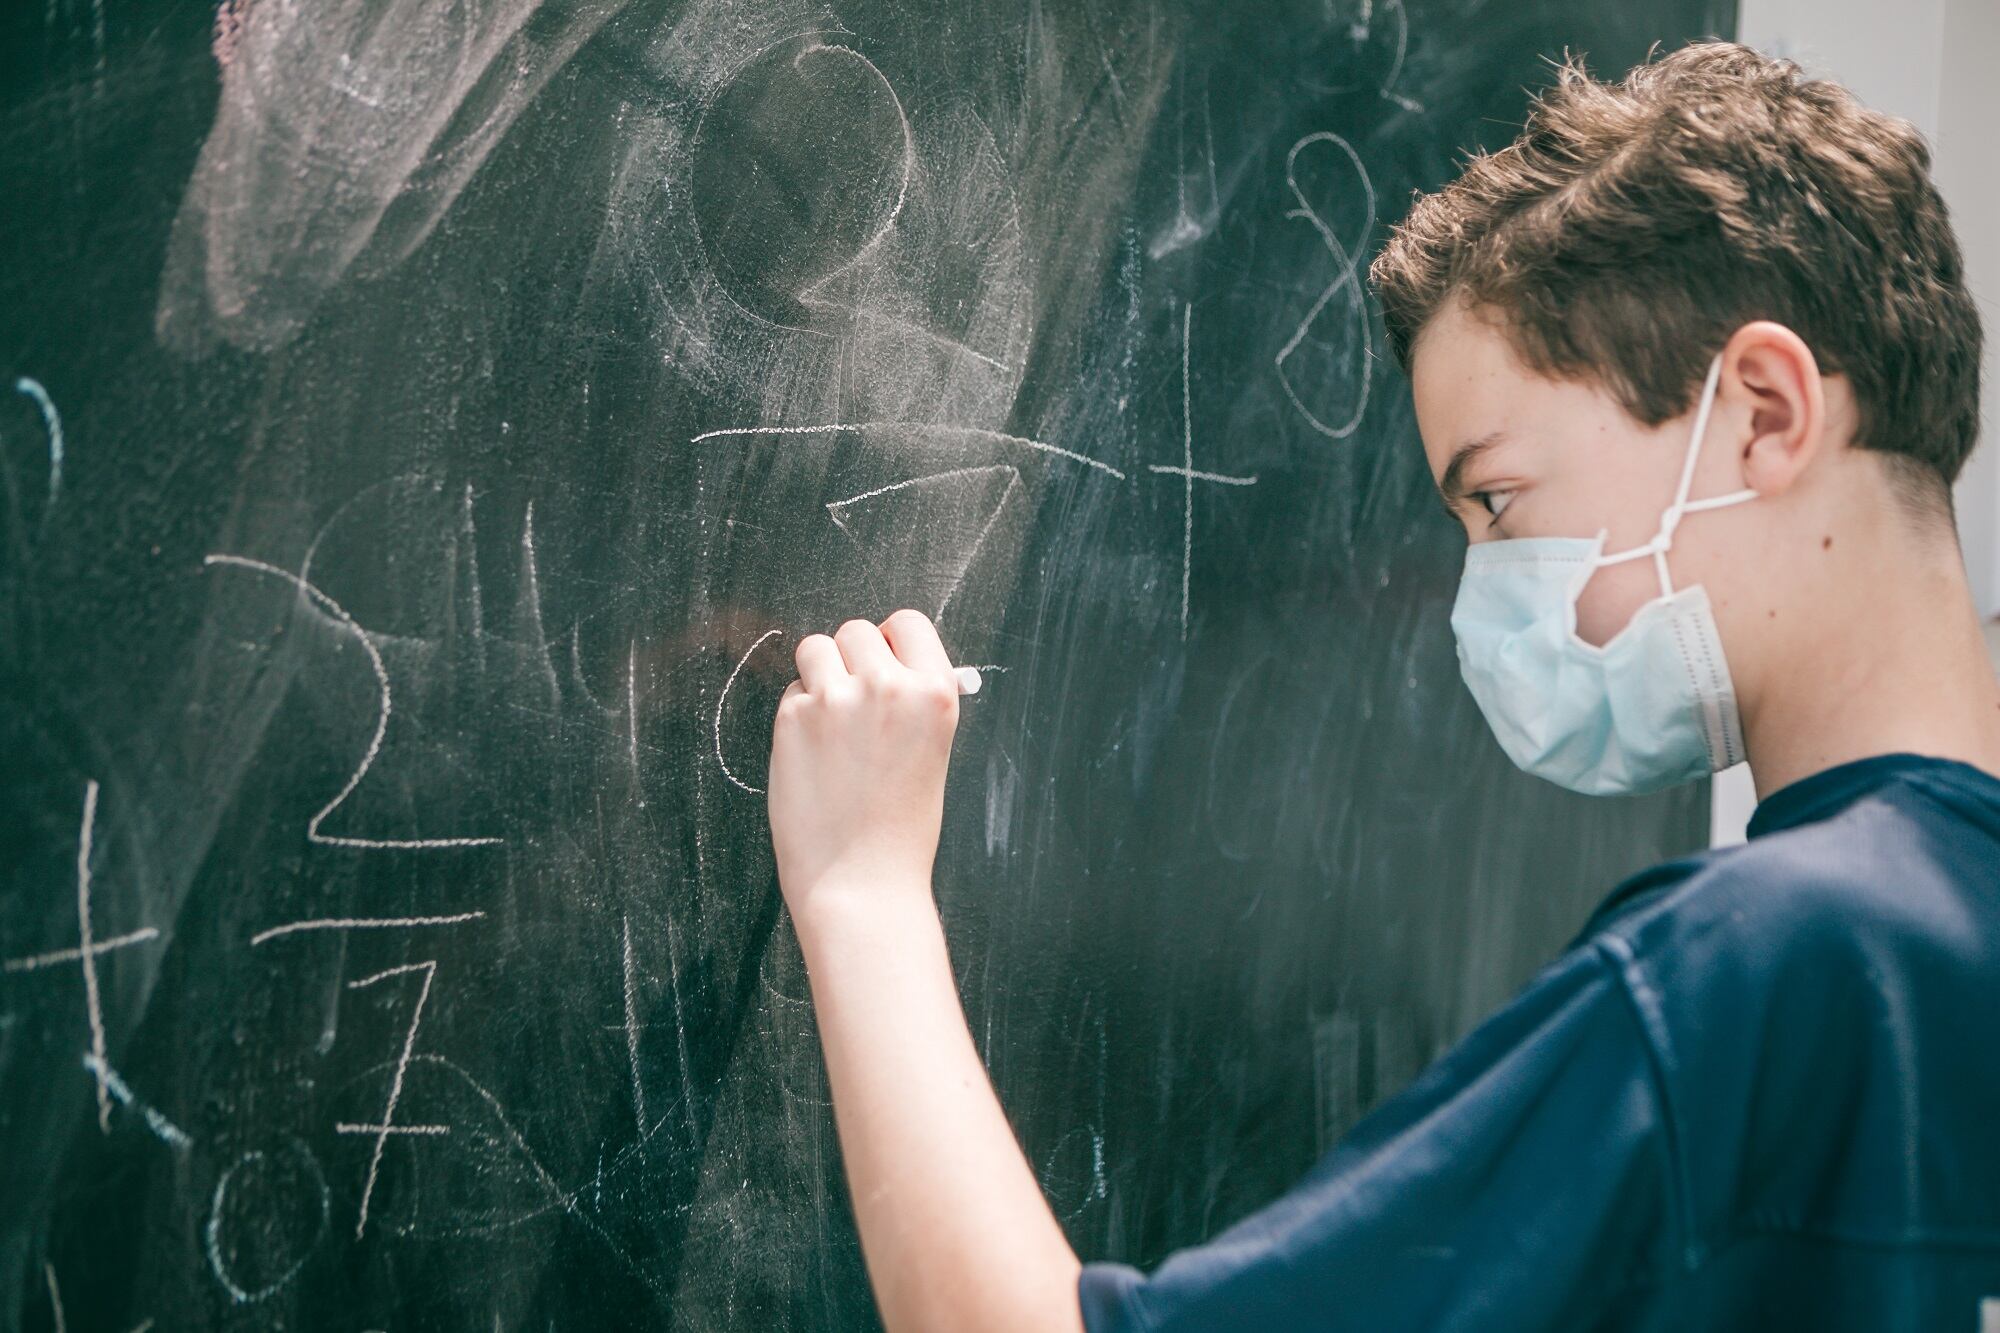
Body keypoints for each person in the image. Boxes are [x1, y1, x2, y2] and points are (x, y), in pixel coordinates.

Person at [762, 39, 2000, 1333]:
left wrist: (864, 892)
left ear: (1762, 410)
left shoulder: (1754, 977)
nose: (1484, 603)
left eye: (1502, 500)